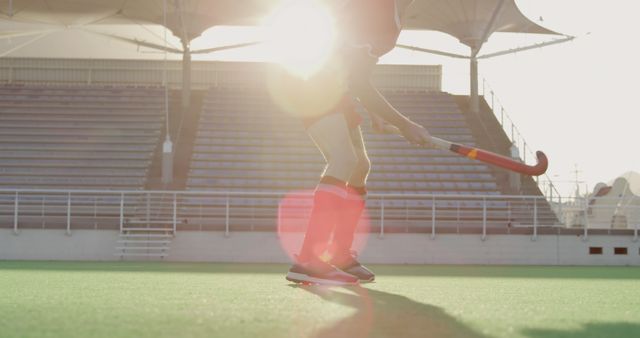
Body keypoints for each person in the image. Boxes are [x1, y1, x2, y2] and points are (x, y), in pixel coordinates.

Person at [285, 0, 431, 285]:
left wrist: (378, 115)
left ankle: (339, 255)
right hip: (313, 81)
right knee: (344, 159)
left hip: (335, 86)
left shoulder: (393, 15)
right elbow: (361, 83)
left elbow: (358, 75)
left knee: (359, 166)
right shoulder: (381, 10)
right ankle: (308, 260)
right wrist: (405, 124)